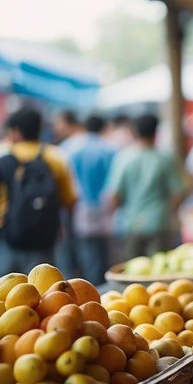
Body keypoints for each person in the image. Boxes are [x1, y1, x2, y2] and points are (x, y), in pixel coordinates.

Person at [0, 107, 77, 291]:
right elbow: (69, 199)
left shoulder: (2, 157)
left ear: (15, 131)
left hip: (7, 241)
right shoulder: (55, 157)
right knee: (43, 299)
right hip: (44, 243)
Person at [105, 114, 187, 259]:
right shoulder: (165, 159)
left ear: (135, 131)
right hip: (159, 223)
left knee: (132, 272)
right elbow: (179, 194)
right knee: (158, 271)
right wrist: (167, 210)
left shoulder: (124, 158)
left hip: (131, 224)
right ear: (156, 132)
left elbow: (115, 197)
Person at [66, 115, 116, 284]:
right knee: (106, 254)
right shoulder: (109, 150)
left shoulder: (72, 149)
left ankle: (91, 290)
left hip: (82, 207)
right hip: (105, 208)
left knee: (88, 254)